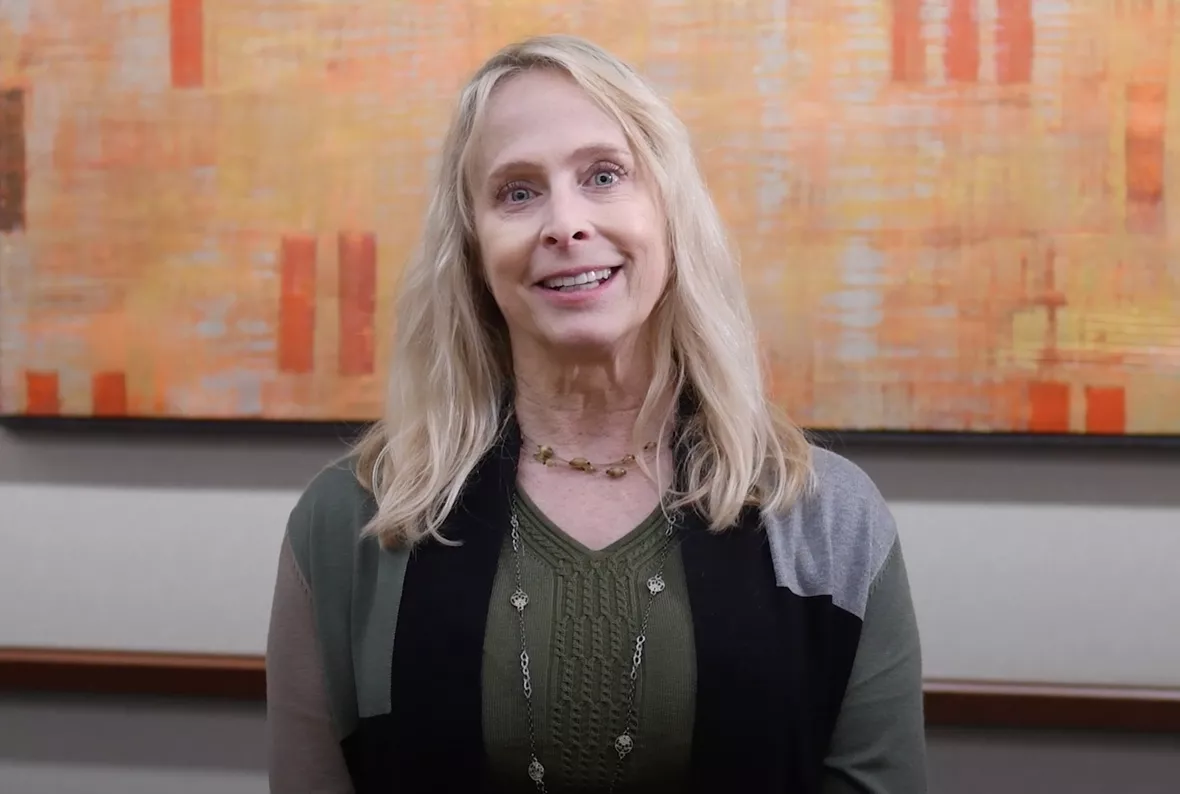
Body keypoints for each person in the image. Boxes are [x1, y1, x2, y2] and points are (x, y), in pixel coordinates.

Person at [265, 34, 926, 794]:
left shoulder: (828, 521)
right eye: (516, 192)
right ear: (473, 251)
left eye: (604, 175)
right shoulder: (350, 521)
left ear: (669, 217)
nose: (564, 224)